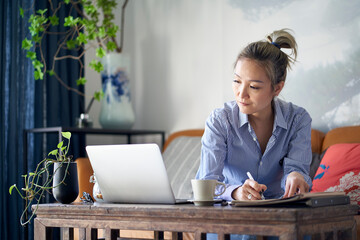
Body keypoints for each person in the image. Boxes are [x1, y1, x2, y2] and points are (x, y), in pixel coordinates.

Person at [196, 28, 312, 203]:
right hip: (230, 217)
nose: (241, 94)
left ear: (277, 88)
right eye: (237, 81)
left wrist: (296, 176)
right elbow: (206, 184)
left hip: (280, 215)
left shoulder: (298, 119)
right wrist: (235, 192)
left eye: (254, 87)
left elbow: (297, 169)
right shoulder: (220, 121)